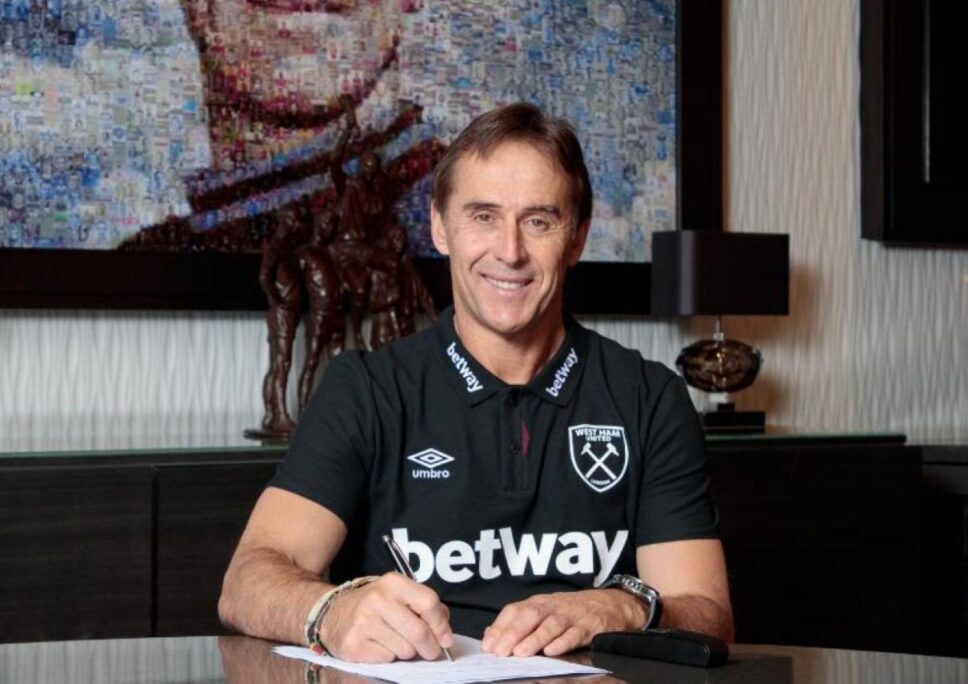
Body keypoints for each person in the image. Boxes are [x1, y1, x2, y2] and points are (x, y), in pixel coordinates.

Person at [218, 103, 733, 663]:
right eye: (483, 216)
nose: (509, 252)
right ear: (441, 227)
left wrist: (621, 607)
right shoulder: (364, 389)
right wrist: (332, 610)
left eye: (539, 221)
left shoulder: (649, 398)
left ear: (577, 239)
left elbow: (707, 612)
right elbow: (246, 583)